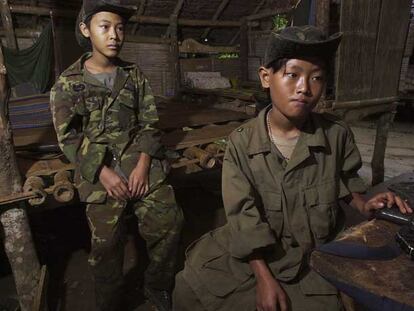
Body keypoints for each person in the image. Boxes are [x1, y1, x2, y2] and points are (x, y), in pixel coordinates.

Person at [173, 26, 412, 311]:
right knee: (188, 289)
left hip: (312, 256)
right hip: (255, 255)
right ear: (266, 77)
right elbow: (243, 216)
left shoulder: (336, 135)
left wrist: (364, 204)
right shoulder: (243, 142)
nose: (305, 88)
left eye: (317, 77)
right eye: (292, 74)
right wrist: (263, 278)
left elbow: (346, 182)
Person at [49, 1, 184, 310]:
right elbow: (68, 138)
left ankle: (157, 287)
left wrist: (144, 164)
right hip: (99, 171)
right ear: (86, 30)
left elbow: (150, 123)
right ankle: (109, 302)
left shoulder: (133, 75)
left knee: (169, 223)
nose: (114, 35)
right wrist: (102, 173)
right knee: (107, 245)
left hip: (138, 161)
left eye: (120, 28)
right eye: (105, 26)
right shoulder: (68, 84)